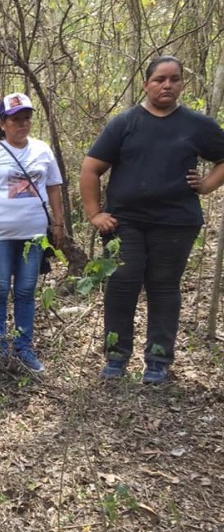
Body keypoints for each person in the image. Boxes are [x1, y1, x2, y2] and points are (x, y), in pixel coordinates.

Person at [80, 55, 224, 384]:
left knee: (163, 287)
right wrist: (94, 213)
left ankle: (158, 360)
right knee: (122, 283)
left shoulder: (196, 125)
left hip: (176, 222)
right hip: (124, 223)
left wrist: (206, 186)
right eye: (160, 79)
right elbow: (90, 168)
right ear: (146, 84)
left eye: (174, 79)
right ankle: (116, 357)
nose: (167, 85)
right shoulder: (125, 123)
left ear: (181, 84)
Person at [0, 93, 64, 374]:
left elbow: (54, 188)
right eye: (15, 119)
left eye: (26, 119)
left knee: (25, 290)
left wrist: (58, 224)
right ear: (2, 123)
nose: (22, 124)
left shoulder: (42, 150)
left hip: (33, 235)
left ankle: (24, 346)